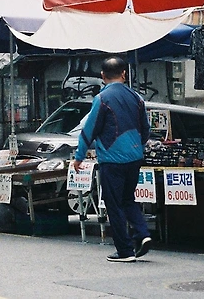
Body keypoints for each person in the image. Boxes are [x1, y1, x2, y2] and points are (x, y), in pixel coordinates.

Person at [73, 55, 151, 263]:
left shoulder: (102, 99)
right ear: (124, 74)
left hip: (112, 159)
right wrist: (137, 146)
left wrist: (79, 157)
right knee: (128, 199)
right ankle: (143, 234)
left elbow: (89, 130)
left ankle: (124, 251)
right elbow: (146, 129)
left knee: (114, 204)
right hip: (135, 158)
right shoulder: (137, 98)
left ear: (102, 76)